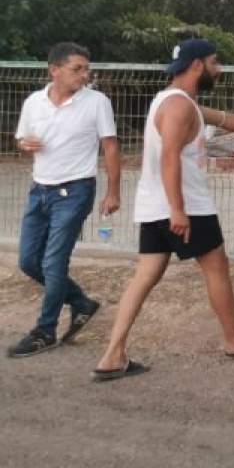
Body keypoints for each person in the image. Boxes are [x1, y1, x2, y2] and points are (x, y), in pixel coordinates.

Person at [91, 38, 234, 381]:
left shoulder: (175, 101)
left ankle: (112, 355)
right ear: (197, 65)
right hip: (185, 206)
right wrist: (178, 210)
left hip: (154, 207)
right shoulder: (180, 107)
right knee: (216, 268)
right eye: (214, 62)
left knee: (145, 275)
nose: (218, 69)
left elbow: (225, 119)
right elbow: (169, 158)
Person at [9, 43, 121, 358]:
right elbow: (21, 139)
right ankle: (81, 303)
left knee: (53, 262)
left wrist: (113, 191)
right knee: (28, 261)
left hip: (75, 191)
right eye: (77, 69)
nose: (84, 75)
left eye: (86, 69)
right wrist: (24, 145)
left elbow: (110, 147)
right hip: (40, 189)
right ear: (54, 70)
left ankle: (45, 330)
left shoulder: (96, 103)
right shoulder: (34, 102)